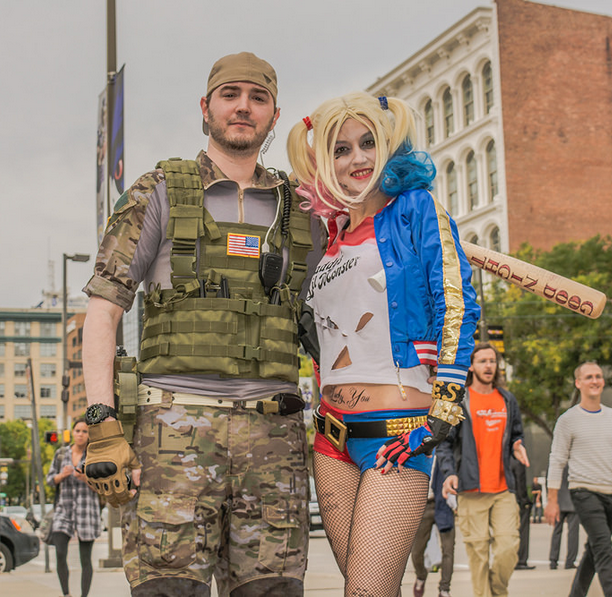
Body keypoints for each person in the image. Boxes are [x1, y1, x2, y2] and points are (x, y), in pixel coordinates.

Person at [80, 52, 319, 597]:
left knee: (274, 591)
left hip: (274, 439)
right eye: (230, 95)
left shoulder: (302, 210)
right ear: (205, 107)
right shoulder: (158, 191)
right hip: (174, 438)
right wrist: (102, 423)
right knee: (168, 590)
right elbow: (103, 311)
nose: (243, 107)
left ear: (274, 114)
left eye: (257, 98)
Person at [286, 92, 479, 596]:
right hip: (330, 438)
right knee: (362, 587)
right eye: (341, 149)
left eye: (368, 143)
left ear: (389, 147)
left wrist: (448, 403)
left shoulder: (415, 210)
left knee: (366, 591)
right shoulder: (327, 236)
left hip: (399, 436)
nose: (357, 159)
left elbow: (457, 305)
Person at [436, 342, 529, 597]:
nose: (489, 366)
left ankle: (497, 591)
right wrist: (449, 473)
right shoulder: (459, 400)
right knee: (478, 556)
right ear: (472, 366)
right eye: (483, 361)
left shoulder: (507, 399)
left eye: (492, 361)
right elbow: (445, 443)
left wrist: (518, 445)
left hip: (503, 489)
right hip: (470, 488)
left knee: (508, 548)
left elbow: (515, 435)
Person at [545, 361, 612, 597]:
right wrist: (552, 499)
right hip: (583, 492)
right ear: (579, 383)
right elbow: (557, 460)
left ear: (603, 382)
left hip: (611, 493)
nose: (594, 381)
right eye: (588, 377)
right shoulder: (567, 420)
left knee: (594, 550)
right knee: (604, 550)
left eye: (598, 376)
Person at [46, 417, 102, 597]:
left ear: (89, 435)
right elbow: (49, 480)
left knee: (85, 558)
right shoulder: (61, 454)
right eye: (78, 431)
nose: (81, 434)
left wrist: (85, 479)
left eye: (85, 431)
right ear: (73, 433)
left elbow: (102, 487)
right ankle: (66, 594)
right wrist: (62, 475)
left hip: (87, 511)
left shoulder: (94, 456)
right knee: (60, 552)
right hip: (64, 510)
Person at [410, 459, 457, 597]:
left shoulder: (447, 450)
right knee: (416, 551)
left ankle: (444, 589)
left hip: (445, 504)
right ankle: (421, 575)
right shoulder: (421, 446)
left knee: (448, 549)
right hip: (425, 504)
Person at [548, 465, 579, 570]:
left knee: (557, 531)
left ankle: (553, 560)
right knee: (573, 533)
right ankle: (570, 561)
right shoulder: (575, 463)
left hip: (559, 502)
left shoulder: (558, 464)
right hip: (573, 502)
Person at [511, 458, 534, 570]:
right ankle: (521, 559)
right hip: (518, 501)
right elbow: (520, 482)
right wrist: (525, 500)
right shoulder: (518, 460)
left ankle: (511, 559)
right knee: (522, 530)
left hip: (505, 499)